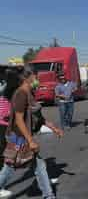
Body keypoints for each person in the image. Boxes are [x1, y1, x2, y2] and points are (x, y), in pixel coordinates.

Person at [0, 70, 63, 198]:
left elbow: (37, 116)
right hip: (19, 138)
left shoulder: (29, 93)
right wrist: (30, 141)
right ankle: (49, 195)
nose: (37, 80)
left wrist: (53, 127)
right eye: (35, 77)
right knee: (17, 166)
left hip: (23, 138)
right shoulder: (20, 94)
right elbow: (18, 120)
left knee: (19, 166)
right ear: (26, 78)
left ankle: (48, 195)